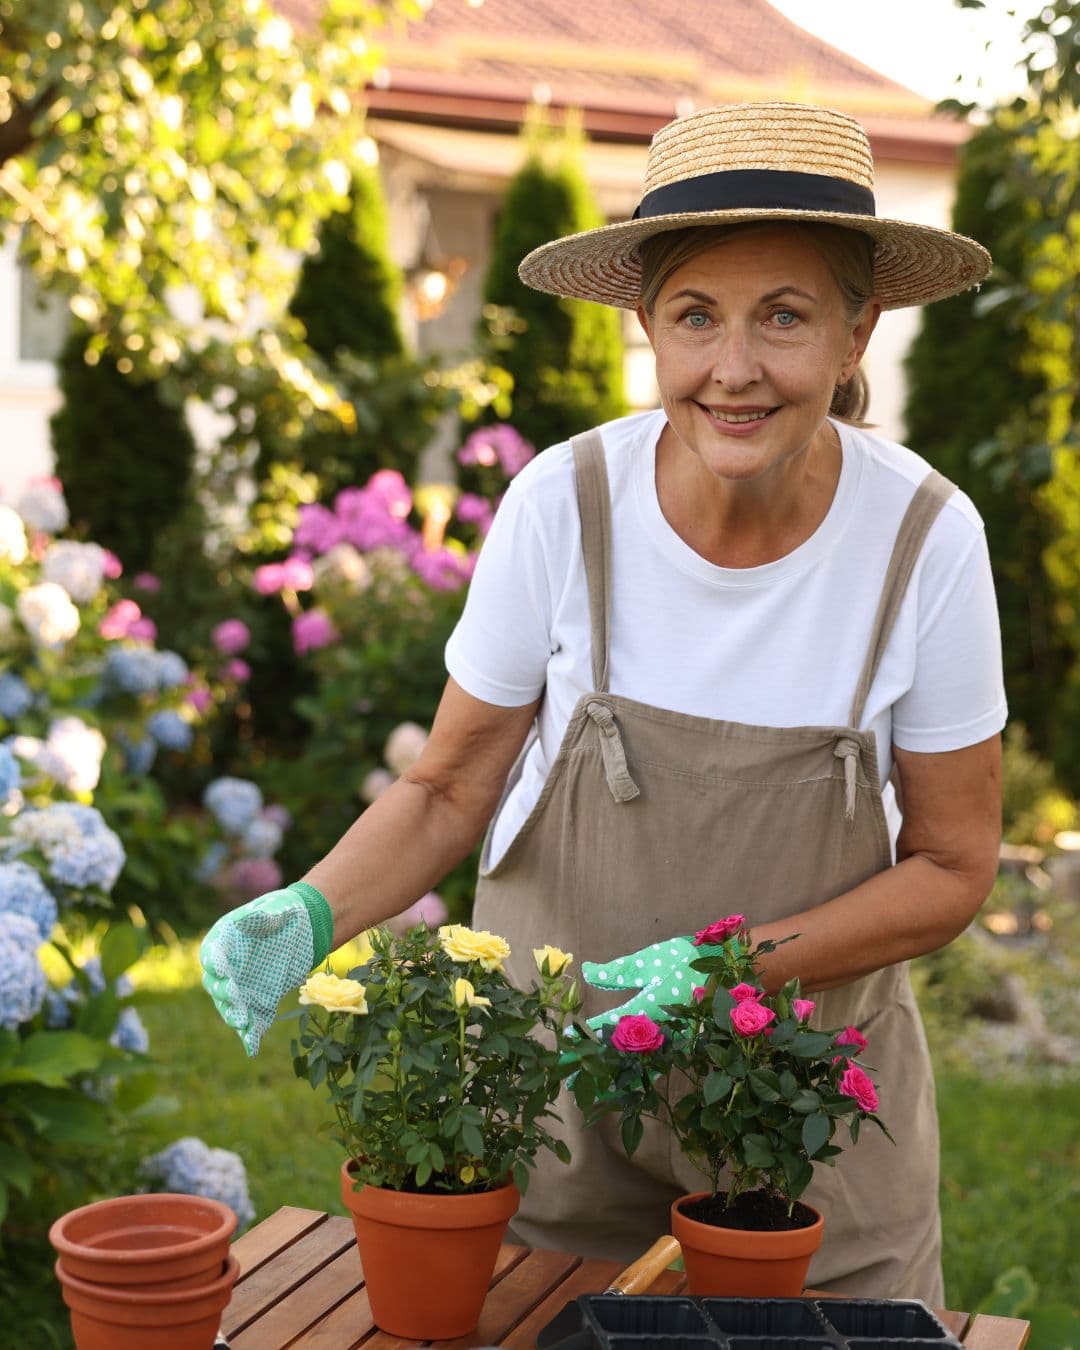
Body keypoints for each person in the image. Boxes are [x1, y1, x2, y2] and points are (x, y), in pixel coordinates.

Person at [200, 102, 1005, 1300]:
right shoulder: (563, 505)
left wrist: (737, 967)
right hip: (561, 1104)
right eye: (696, 316)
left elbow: (954, 863)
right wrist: (309, 913)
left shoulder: (924, 540)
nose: (734, 368)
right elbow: (450, 785)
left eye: (785, 316)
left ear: (858, 334)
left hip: (803, 1119)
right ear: (648, 328)